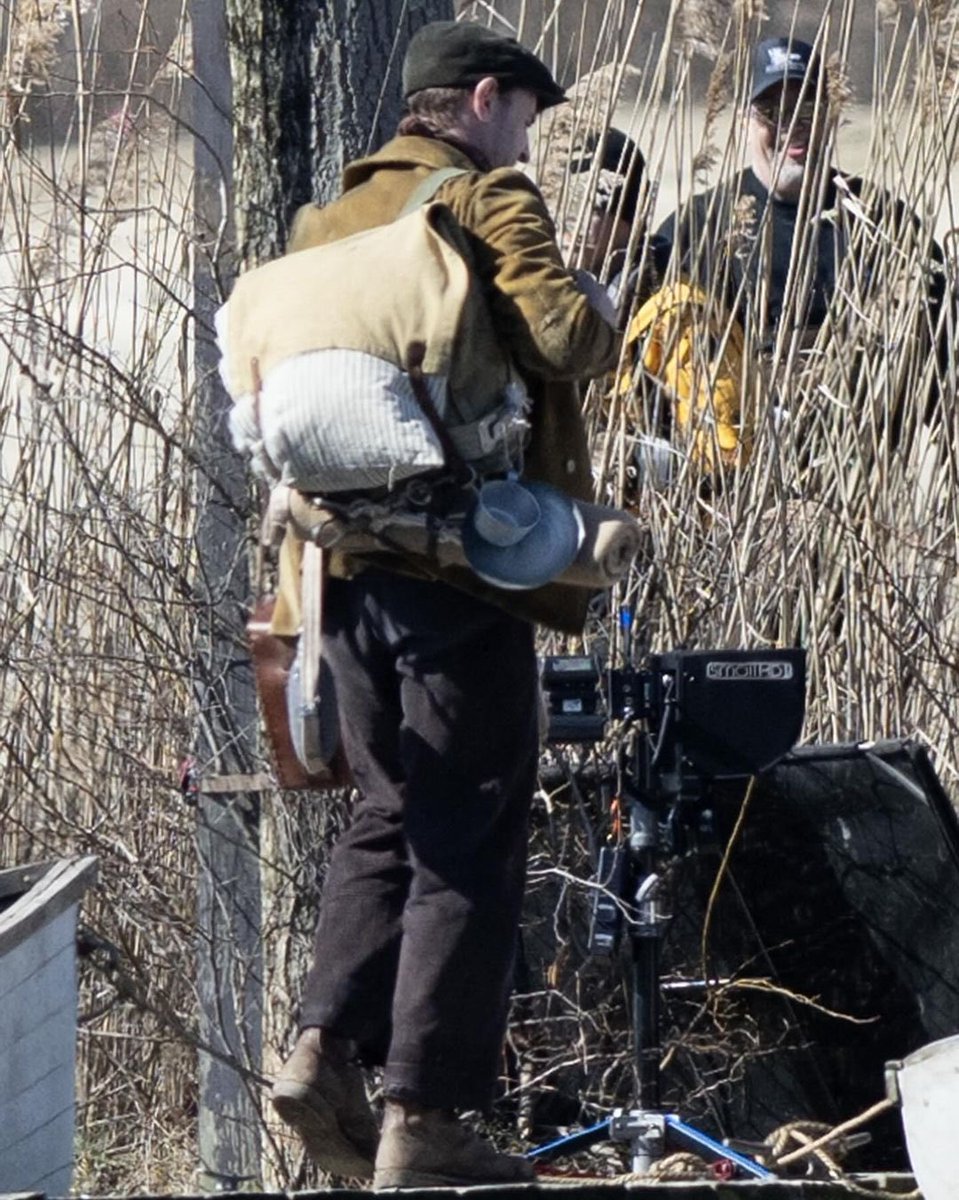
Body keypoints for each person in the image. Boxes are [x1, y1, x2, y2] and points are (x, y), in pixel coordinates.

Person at [267, 20, 620, 1191]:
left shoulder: (324, 223)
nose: (528, 136)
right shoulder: (484, 198)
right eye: (524, 112)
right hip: (460, 572)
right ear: (479, 100)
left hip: (339, 572)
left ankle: (319, 1051)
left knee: (385, 811)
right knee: (470, 826)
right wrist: (602, 292)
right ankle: (425, 1119)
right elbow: (567, 339)